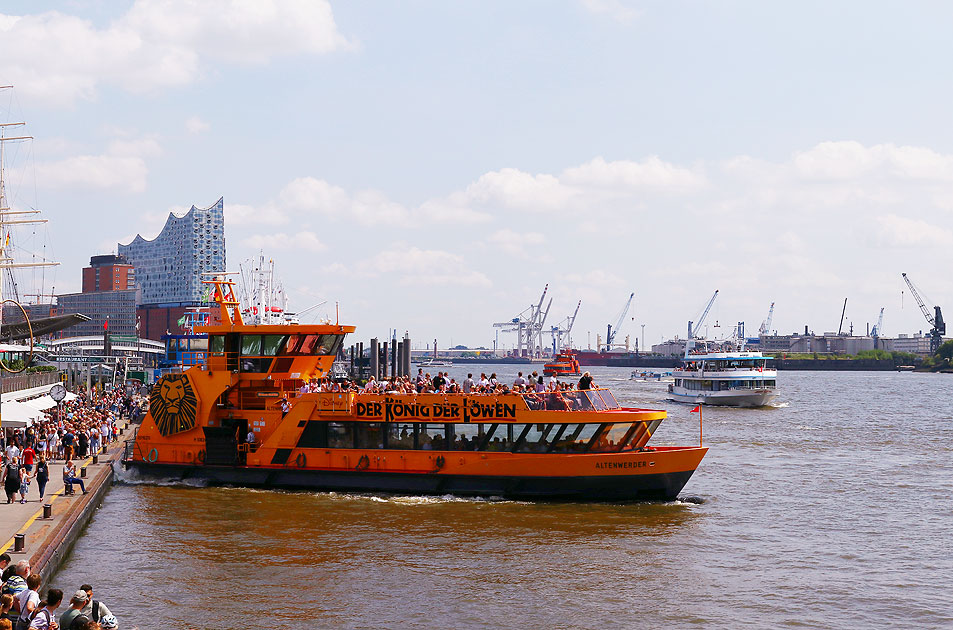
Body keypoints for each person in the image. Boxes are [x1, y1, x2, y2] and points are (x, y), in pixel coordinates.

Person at [1, 561, 29, 626]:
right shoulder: (21, 583)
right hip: (15, 618)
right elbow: (16, 601)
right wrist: (23, 615)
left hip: (7, 614)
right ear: (26, 569)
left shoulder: (11, 579)